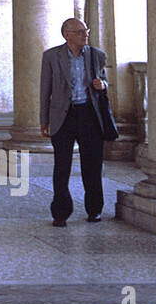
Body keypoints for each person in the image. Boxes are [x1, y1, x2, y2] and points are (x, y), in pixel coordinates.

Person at [40, 18, 109, 226]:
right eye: (79, 31)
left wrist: (102, 85)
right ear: (67, 35)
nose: (84, 35)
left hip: (89, 114)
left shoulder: (96, 55)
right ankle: (60, 213)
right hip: (63, 115)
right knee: (62, 166)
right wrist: (44, 120)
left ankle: (94, 210)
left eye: (85, 31)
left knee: (93, 165)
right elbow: (45, 90)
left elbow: (105, 81)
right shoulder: (51, 56)